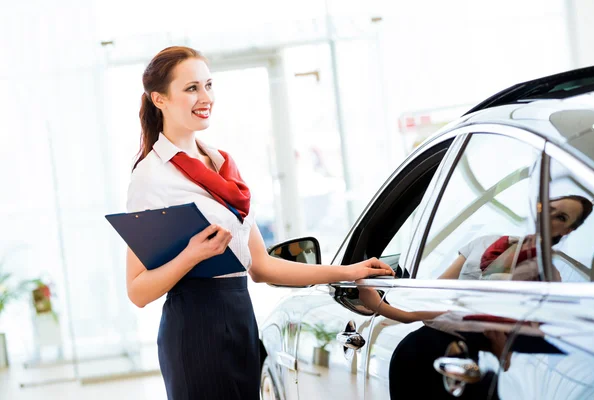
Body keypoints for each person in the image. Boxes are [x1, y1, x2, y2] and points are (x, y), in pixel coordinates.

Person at [124, 46, 394, 400]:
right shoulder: (151, 177)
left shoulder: (222, 166)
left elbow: (262, 266)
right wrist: (191, 255)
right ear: (159, 99)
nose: (205, 97)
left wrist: (348, 271)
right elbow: (137, 291)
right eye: (191, 88)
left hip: (241, 318)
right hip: (194, 328)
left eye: (208, 85)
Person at [438, 195, 593, 281]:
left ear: (567, 230)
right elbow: (439, 291)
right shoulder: (486, 241)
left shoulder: (547, 276)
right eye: (549, 208)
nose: (548, 216)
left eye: (561, 217)